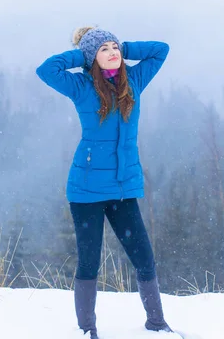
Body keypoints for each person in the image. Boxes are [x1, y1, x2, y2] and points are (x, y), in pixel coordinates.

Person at [36, 26, 172, 338]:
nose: (113, 53)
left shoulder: (134, 81)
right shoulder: (81, 85)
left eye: (115, 47)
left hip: (123, 187)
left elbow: (160, 49)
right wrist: (82, 54)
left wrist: (124, 46)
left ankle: (157, 325)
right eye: (104, 49)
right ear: (91, 58)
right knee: (89, 262)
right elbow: (46, 69)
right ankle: (87, 330)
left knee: (144, 258)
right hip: (86, 190)